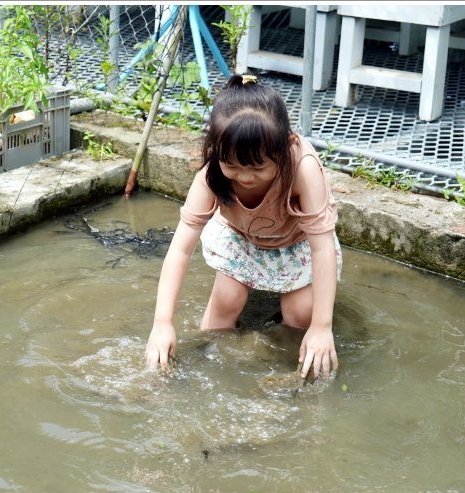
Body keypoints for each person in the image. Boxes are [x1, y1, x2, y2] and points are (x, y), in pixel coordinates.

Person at [144, 74, 342, 381]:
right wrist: (162, 322)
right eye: (233, 166)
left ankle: (291, 369)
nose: (245, 177)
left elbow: (322, 247)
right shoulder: (211, 173)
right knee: (226, 301)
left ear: (285, 145)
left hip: (296, 243)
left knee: (301, 313)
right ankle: (208, 365)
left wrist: (322, 327)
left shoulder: (302, 168)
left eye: (258, 167)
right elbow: (180, 249)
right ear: (215, 148)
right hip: (241, 238)